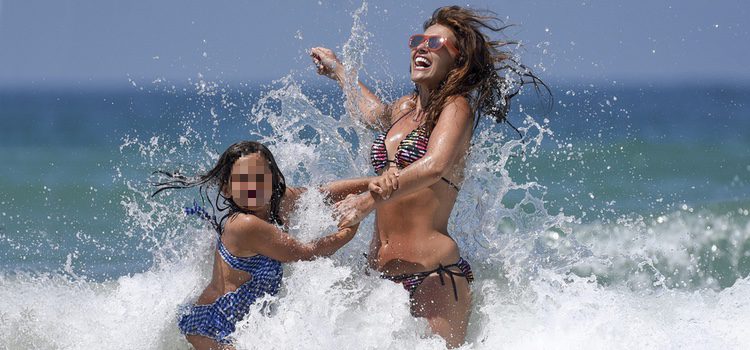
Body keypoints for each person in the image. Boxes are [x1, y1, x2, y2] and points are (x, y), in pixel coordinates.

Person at [311, 6, 547, 347]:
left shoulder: (456, 107)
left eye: (435, 43)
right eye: (418, 41)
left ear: (458, 61)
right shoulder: (405, 109)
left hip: (432, 277)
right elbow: (371, 112)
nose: (422, 47)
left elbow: (435, 164)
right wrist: (339, 71)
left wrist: (366, 201)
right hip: (378, 279)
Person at [153, 141, 394, 349]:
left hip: (242, 323)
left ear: (274, 179)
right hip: (211, 327)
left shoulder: (279, 200)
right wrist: (350, 229)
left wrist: (375, 181)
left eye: (260, 178)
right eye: (242, 180)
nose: (253, 186)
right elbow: (305, 253)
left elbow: (323, 193)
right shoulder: (243, 225)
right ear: (226, 188)